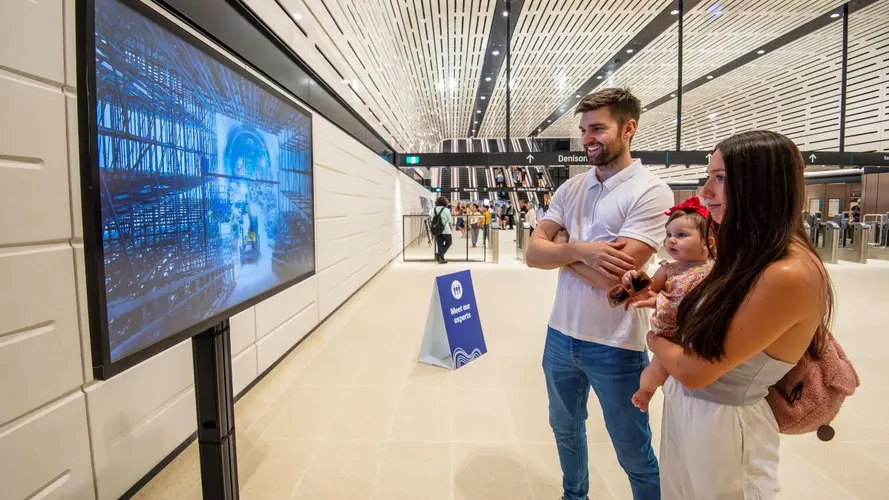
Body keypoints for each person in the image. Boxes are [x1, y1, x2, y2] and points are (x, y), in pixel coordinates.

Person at [639, 130, 833, 499]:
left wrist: (654, 339)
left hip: (727, 424)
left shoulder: (787, 272)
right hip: (694, 412)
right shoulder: (748, 256)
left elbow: (696, 371)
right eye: (709, 176)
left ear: (761, 184)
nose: (706, 191)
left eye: (721, 178)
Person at [525, 87, 673, 500]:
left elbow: (618, 281)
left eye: (598, 128)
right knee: (565, 431)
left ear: (629, 128)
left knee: (631, 448)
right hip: (560, 335)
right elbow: (532, 254)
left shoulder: (651, 191)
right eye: (584, 129)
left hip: (616, 345)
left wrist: (559, 252)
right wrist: (580, 250)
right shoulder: (572, 188)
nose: (587, 138)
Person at [617, 196, 714, 412]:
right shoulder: (667, 270)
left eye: (681, 235)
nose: (671, 240)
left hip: (699, 335)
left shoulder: (714, 271)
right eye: (669, 234)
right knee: (657, 372)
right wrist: (634, 281)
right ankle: (645, 391)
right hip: (671, 335)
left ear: (707, 242)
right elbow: (650, 292)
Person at [429, 196, 453, 264]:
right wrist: (451, 228)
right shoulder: (446, 210)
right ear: (445, 203)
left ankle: (441, 258)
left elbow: (430, 216)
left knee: (440, 244)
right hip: (445, 229)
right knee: (449, 242)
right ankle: (440, 256)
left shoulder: (432, 210)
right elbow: (450, 220)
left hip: (436, 230)